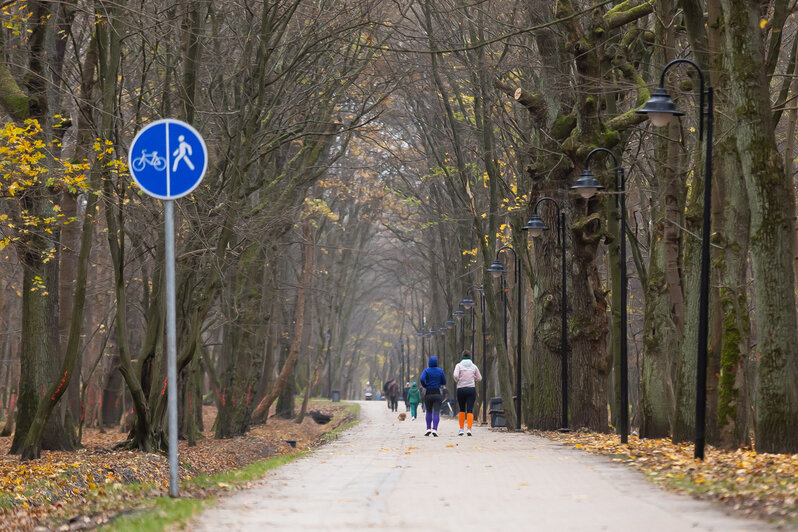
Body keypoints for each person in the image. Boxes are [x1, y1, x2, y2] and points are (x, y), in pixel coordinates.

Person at [453, 350, 482, 436]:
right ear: (470, 357)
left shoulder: (458, 365)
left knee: (462, 409)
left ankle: (461, 429)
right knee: (470, 409)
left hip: (461, 389)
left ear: (462, 357)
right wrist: (474, 378)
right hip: (471, 389)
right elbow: (480, 378)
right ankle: (469, 429)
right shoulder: (474, 366)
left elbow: (455, 375)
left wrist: (457, 380)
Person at [419, 355, 446, 436]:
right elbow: (444, 382)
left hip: (428, 393)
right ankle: (434, 429)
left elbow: (421, 379)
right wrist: (439, 382)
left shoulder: (426, 371)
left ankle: (428, 429)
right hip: (437, 392)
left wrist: (425, 385)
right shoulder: (440, 371)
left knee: (429, 411)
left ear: (429, 363)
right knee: (436, 411)